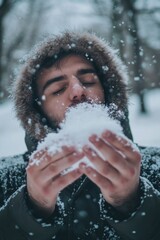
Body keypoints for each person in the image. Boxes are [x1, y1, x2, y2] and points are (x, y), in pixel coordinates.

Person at [0, 31, 160, 240]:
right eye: (58, 89)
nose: (78, 90)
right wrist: (31, 210)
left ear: (109, 92)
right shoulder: (4, 179)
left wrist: (133, 203)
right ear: (37, 111)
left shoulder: (156, 166)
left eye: (89, 80)